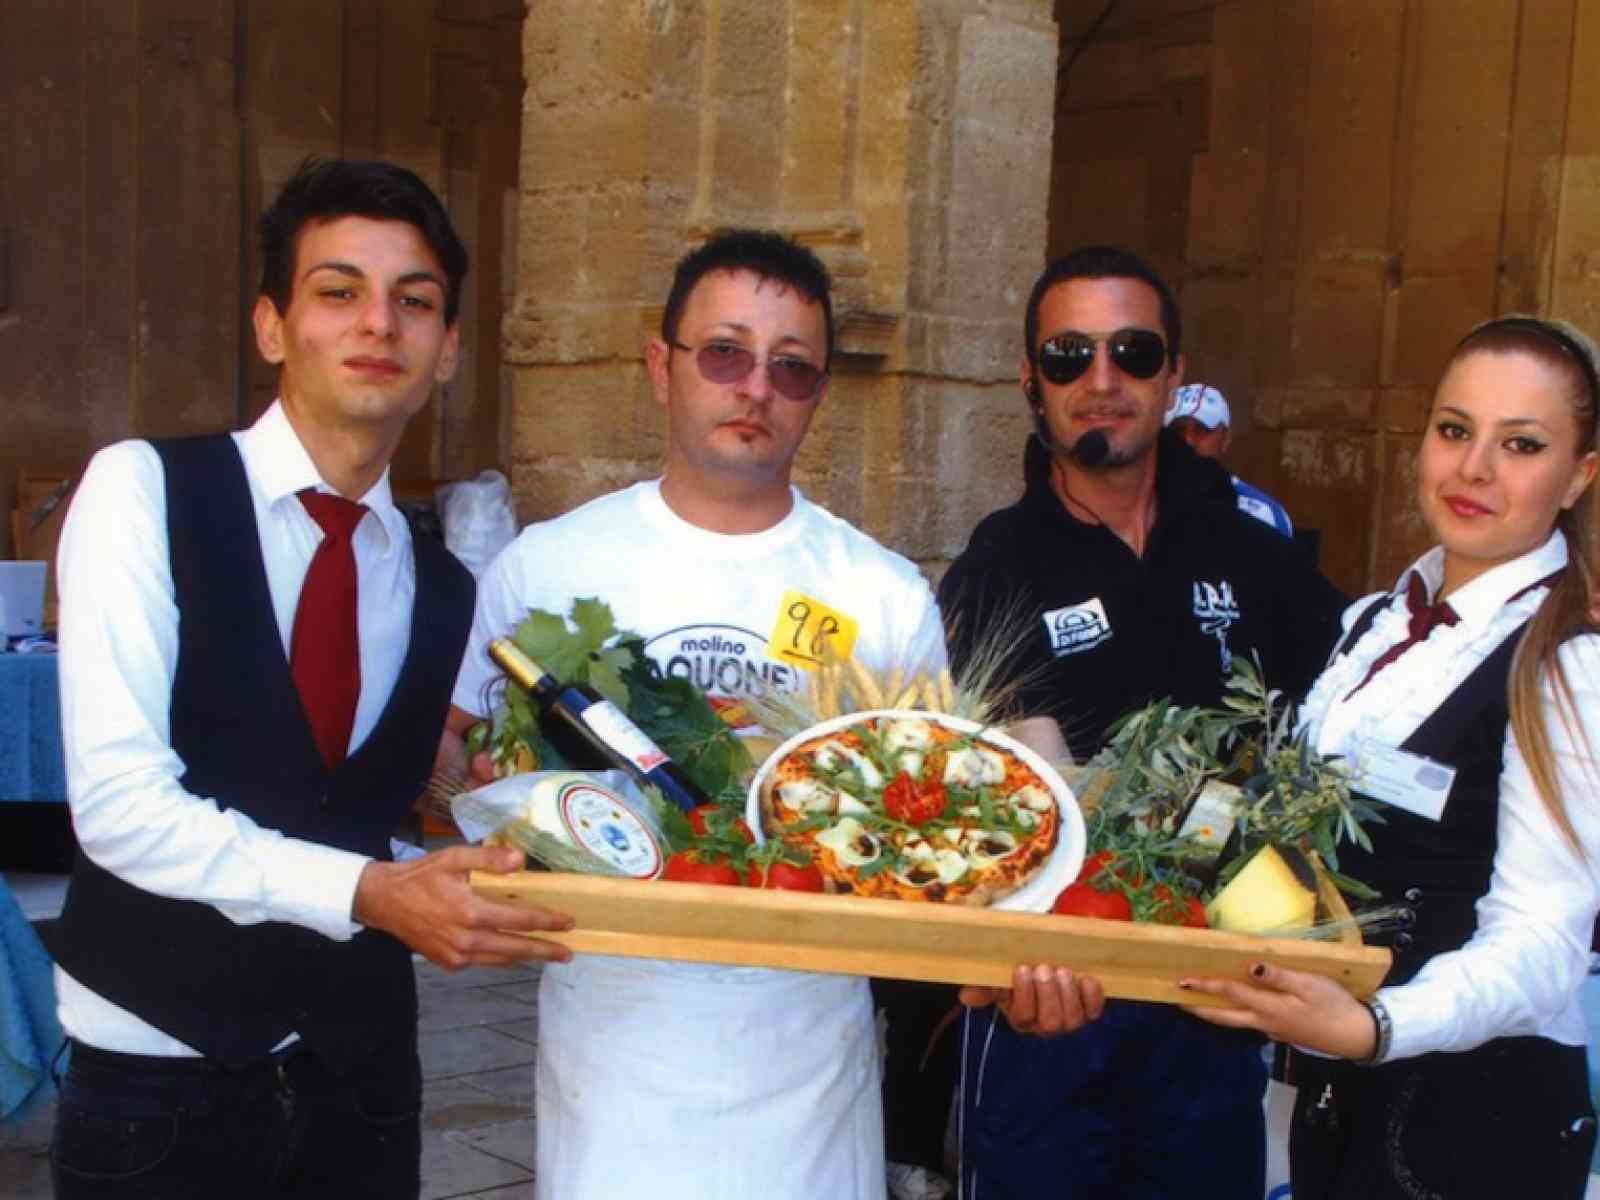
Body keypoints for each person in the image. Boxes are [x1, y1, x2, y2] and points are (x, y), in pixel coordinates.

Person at [45, 158, 573, 1200]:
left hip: (361, 1078)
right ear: (272, 326)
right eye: (338, 291)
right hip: (160, 1077)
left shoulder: (439, 585)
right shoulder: (145, 488)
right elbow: (118, 809)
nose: (378, 323)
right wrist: (376, 894)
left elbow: (391, 800)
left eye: (413, 302)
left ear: (449, 348)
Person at [442, 228, 947, 1200]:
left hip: (807, 1076)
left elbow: (921, 832)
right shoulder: (548, 570)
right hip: (614, 1072)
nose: (754, 387)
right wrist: (487, 817)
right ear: (659, 366)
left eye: (790, 369)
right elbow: (452, 761)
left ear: (818, 396)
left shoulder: (882, 595)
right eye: (723, 353)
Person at [936, 244, 1347, 1199]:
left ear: (1176, 375)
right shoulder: (998, 567)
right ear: (1032, 386)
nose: (1103, 380)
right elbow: (1014, 789)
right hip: (1051, 1006)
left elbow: (1357, 696)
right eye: (1068, 357)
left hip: (1216, 1007)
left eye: (1132, 350)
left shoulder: (1257, 554)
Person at [1180, 315, 1600, 1199]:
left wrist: (1376, 1025)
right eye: (1454, 430)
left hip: (1478, 1126)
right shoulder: (1373, 622)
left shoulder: (1570, 666)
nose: (1474, 468)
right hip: (1344, 1102)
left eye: (1521, 444)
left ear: (1580, 476)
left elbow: (1542, 949)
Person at [1165, 381, 1295, 538]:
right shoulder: (1139, 509)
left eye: (1202, 430)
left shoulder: (1263, 516)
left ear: (1225, 439)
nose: (1188, 441)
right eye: (1178, 430)